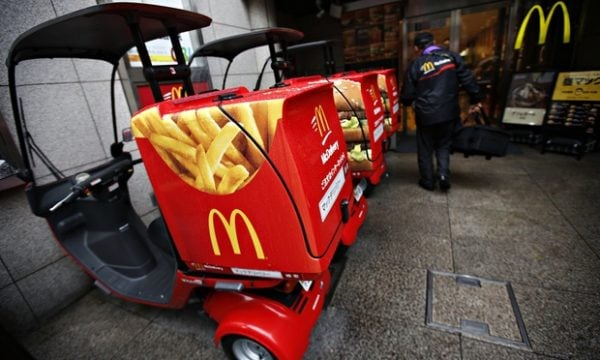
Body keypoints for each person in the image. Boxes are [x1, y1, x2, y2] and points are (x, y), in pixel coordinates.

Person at [401, 32, 482, 192]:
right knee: (443, 145)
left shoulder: (416, 64)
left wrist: (407, 102)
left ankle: (428, 181)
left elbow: (407, 95)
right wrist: (476, 99)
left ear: (417, 48)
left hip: (426, 115)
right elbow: (468, 79)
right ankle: (443, 175)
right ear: (434, 42)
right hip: (448, 112)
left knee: (425, 148)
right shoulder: (452, 57)